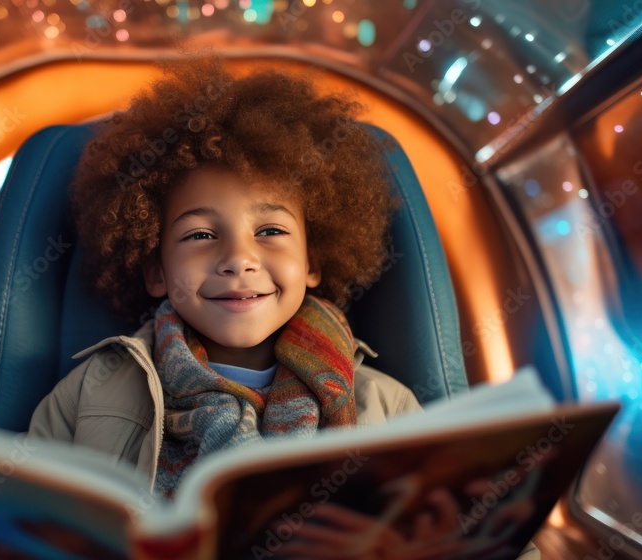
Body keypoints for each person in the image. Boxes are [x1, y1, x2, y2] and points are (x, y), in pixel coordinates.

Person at [27, 58, 538, 559]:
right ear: (156, 271)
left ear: (313, 261)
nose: (239, 259)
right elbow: (16, 524)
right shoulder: (89, 394)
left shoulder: (388, 407)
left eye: (270, 231)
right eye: (200, 235)